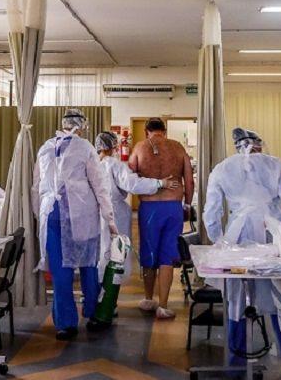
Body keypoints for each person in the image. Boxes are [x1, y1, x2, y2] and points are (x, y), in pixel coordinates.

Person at [203, 128, 281, 377]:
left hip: (238, 235)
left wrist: (219, 242)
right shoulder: (274, 165)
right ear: (258, 145)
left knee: (238, 298)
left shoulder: (222, 169)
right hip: (272, 231)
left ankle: (236, 364)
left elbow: (211, 212)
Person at [31, 109, 118, 340]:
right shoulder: (85, 148)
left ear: (63, 124)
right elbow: (100, 187)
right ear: (82, 126)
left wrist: (39, 215)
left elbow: (36, 187)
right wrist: (110, 221)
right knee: (89, 265)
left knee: (61, 270)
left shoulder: (46, 148)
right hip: (81, 215)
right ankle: (93, 312)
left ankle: (65, 324)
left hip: (51, 214)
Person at [128, 117, 194, 319]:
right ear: (164, 131)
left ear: (146, 131)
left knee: (149, 252)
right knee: (168, 255)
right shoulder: (177, 147)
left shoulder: (140, 147)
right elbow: (189, 180)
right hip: (173, 207)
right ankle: (163, 306)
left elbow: (129, 178)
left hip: (149, 208)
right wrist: (187, 204)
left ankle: (149, 299)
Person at [94, 131, 180, 277]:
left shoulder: (91, 163)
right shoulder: (114, 165)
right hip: (114, 213)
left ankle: (95, 286)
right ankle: (109, 287)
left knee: (98, 252)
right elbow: (132, 184)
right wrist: (160, 183)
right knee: (114, 253)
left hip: (93, 212)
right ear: (113, 146)